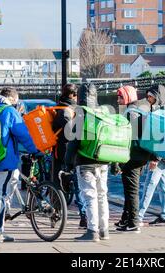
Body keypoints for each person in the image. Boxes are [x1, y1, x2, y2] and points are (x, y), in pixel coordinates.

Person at [0, 87, 39, 243]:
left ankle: (5, 215)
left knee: (13, 180)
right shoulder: (9, 111)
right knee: (1, 194)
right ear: (11, 99)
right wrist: (35, 150)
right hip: (6, 158)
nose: (17, 105)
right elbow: (22, 133)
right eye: (16, 101)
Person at [64, 83, 110, 242]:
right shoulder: (103, 112)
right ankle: (104, 230)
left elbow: (74, 141)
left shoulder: (81, 113)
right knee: (102, 195)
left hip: (85, 162)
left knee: (90, 195)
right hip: (104, 160)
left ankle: (92, 231)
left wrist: (67, 163)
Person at [112, 86, 151, 233]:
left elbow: (128, 138)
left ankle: (134, 222)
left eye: (120, 97)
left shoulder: (131, 113)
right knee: (129, 190)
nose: (118, 100)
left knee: (132, 191)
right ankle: (126, 219)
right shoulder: (141, 109)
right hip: (140, 156)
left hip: (133, 157)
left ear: (128, 97)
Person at [138, 85, 165, 227]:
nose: (148, 99)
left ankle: (139, 216)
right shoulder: (161, 110)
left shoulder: (162, 113)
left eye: (150, 96)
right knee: (162, 185)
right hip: (163, 156)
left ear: (157, 97)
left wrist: (155, 159)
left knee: (149, 184)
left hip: (159, 156)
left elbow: (163, 139)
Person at [52, 84, 87, 228]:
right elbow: (70, 133)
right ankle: (83, 215)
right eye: (76, 94)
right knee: (76, 185)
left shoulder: (59, 108)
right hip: (68, 153)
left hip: (58, 152)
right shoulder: (68, 111)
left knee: (58, 183)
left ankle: (56, 213)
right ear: (72, 95)